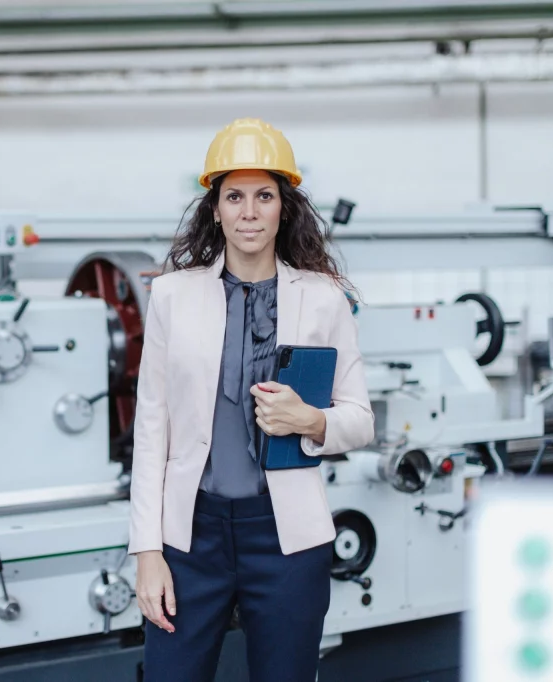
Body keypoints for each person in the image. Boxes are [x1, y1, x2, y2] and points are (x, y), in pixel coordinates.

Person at [127, 117, 375, 682]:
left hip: (286, 538)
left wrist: (310, 419)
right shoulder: (171, 296)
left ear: (284, 207)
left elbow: (360, 420)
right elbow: (151, 431)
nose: (249, 212)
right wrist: (147, 552)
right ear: (215, 208)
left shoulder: (324, 299)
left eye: (264, 196)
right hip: (190, 536)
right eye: (234, 196)